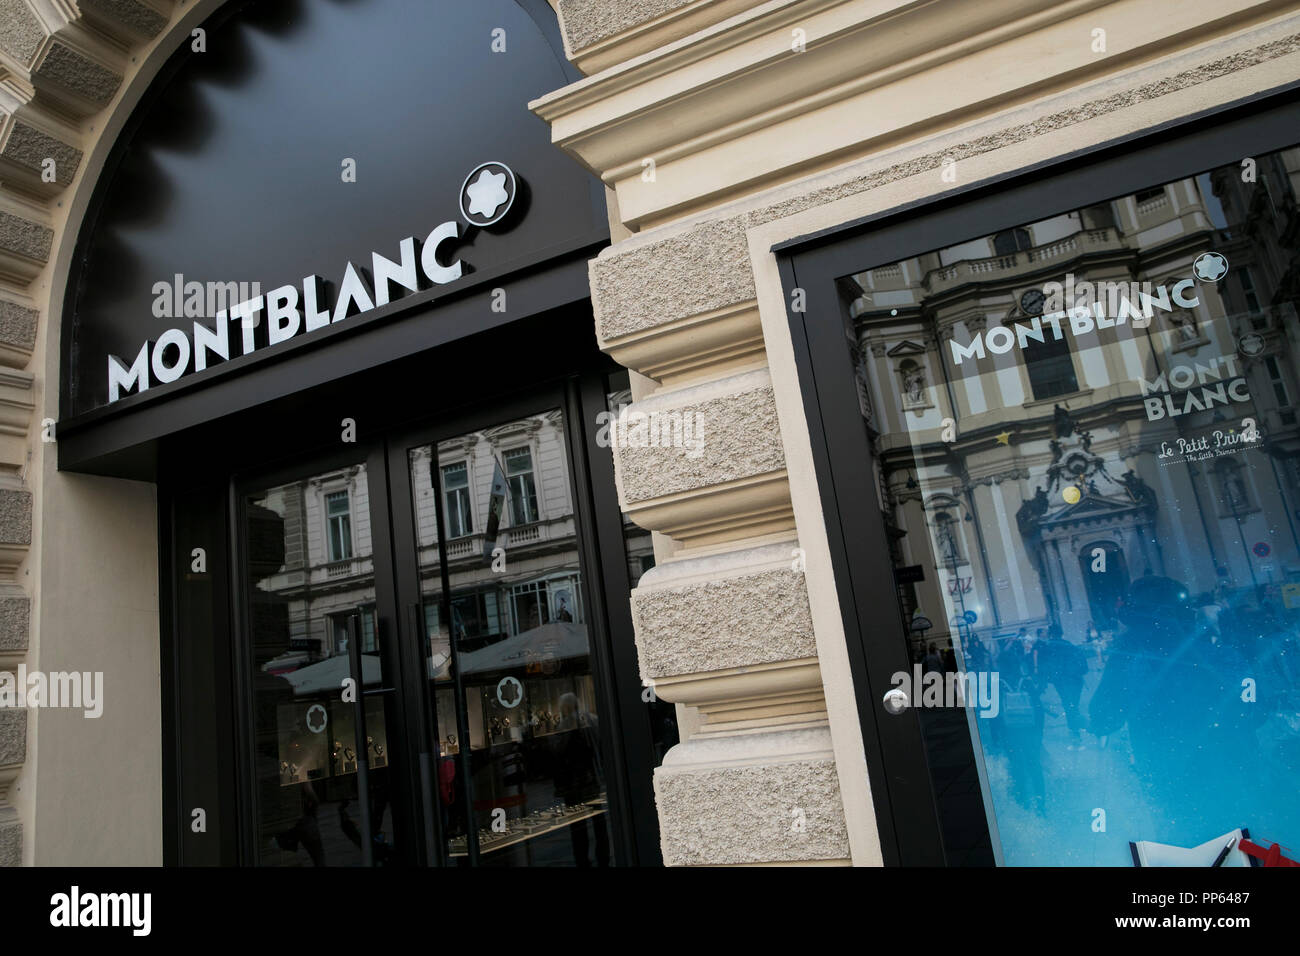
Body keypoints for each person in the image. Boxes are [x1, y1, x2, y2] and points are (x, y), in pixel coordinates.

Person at [1039, 625, 1088, 748]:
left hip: (1061, 681)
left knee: (1068, 704)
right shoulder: (1070, 645)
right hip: (1076, 680)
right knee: (1073, 705)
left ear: (1051, 634)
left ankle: (1076, 731)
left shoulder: (1048, 647)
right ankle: (1077, 729)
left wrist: (1045, 681)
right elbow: (1083, 663)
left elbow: (1045, 666)